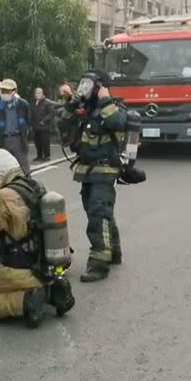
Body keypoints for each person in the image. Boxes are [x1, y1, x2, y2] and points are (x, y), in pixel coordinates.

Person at [0, 149, 74, 328]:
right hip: (45, 266)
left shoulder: (2, 197)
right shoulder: (35, 186)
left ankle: (26, 301)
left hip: (18, 270)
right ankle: (52, 290)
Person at [59, 69, 133, 283]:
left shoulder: (112, 106)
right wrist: (71, 103)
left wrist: (105, 99)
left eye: (89, 85)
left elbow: (118, 122)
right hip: (86, 170)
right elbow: (62, 125)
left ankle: (99, 262)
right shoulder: (85, 109)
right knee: (100, 213)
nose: (85, 88)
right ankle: (114, 250)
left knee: (98, 213)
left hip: (105, 169)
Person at [0, 79, 31, 175]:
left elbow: (28, 122)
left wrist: (25, 137)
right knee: (4, 169)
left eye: (7, 91)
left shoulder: (23, 105)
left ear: (14, 91)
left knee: (23, 168)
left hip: (18, 139)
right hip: (3, 140)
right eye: (3, 91)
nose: (4, 93)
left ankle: (27, 187)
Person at [30, 87, 55, 162]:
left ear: (42, 93)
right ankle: (39, 156)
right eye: (37, 93)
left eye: (39, 93)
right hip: (35, 126)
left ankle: (47, 156)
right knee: (37, 142)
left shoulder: (47, 103)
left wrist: (44, 121)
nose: (38, 95)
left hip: (44, 127)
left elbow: (51, 113)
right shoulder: (33, 103)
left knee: (45, 142)